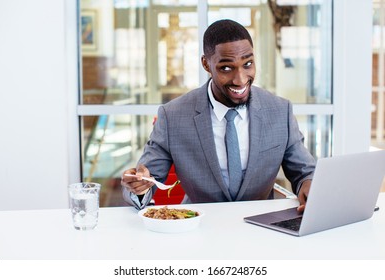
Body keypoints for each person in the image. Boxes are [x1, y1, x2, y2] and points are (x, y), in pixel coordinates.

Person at [121, 19, 316, 211]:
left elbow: (305, 171)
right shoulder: (173, 116)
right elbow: (145, 178)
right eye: (226, 68)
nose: (240, 79)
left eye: (247, 64)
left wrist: (308, 185)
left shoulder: (280, 111)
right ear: (206, 64)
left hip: (261, 227)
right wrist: (138, 186)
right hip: (199, 227)